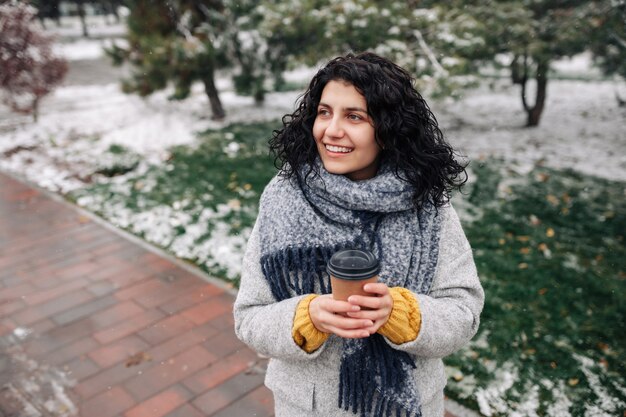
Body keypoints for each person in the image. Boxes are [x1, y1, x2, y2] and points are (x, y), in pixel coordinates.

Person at [234, 52, 484, 417]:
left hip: (408, 406)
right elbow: (249, 318)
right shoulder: (283, 199)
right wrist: (309, 317)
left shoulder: (426, 204)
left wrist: (400, 313)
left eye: (354, 116)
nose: (331, 130)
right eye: (324, 112)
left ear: (388, 128)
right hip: (309, 407)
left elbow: (463, 312)